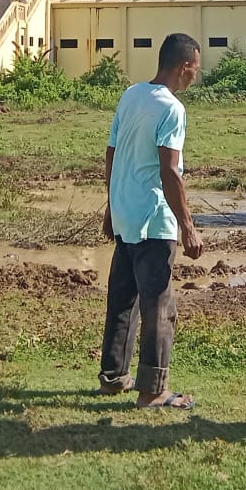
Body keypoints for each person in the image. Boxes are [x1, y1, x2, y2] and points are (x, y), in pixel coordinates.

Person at [97, 32, 203, 409]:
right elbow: (170, 172)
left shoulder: (132, 94)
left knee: (122, 299)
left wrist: (112, 205)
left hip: (126, 213)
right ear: (185, 65)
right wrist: (187, 226)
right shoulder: (172, 108)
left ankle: (113, 377)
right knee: (159, 305)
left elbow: (111, 152)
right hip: (154, 219)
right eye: (196, 69)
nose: (196, 77)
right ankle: (153, 389)